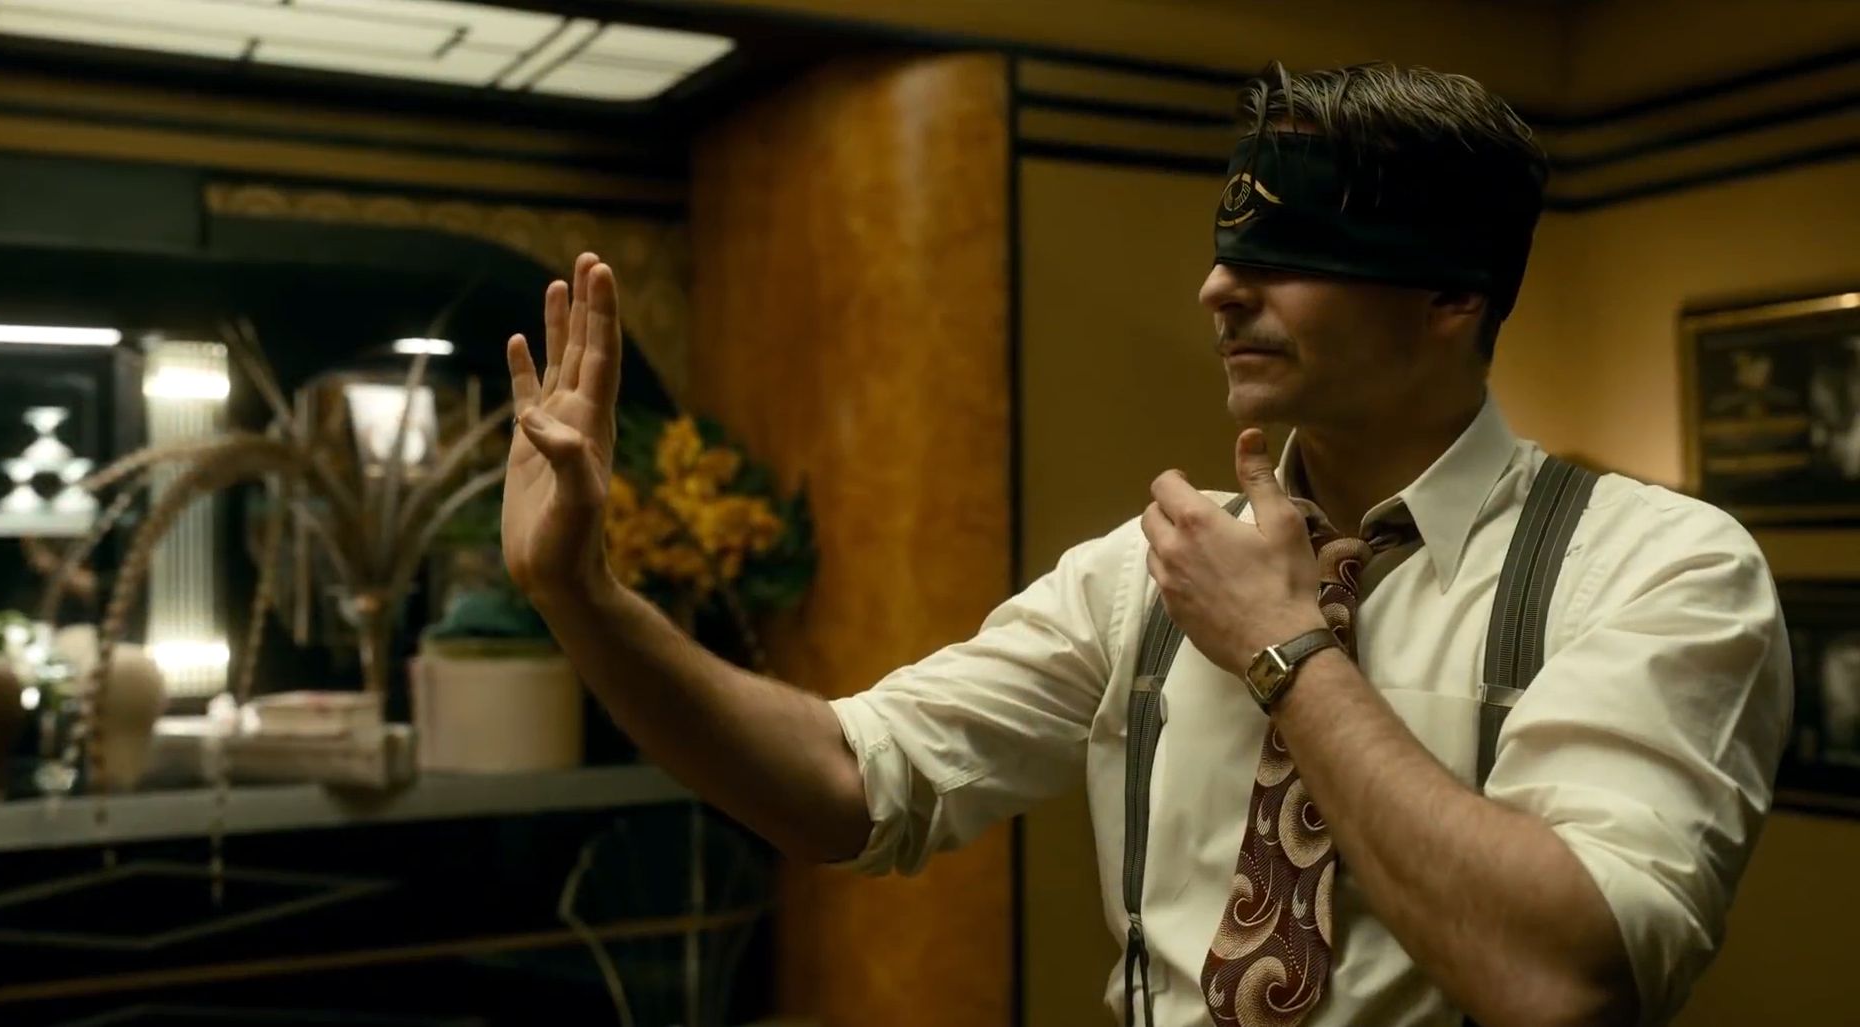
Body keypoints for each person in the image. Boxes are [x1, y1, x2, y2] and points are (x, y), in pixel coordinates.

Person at [498, 61, 1792, 1027]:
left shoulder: (1661, 569)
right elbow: (852, 786)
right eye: (1228, 250)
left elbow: (1562, 981)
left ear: (1453, 292)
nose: (1219, 289)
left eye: (1291, 252)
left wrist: (1287, 651)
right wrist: (583, 598)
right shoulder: (1154, 567)